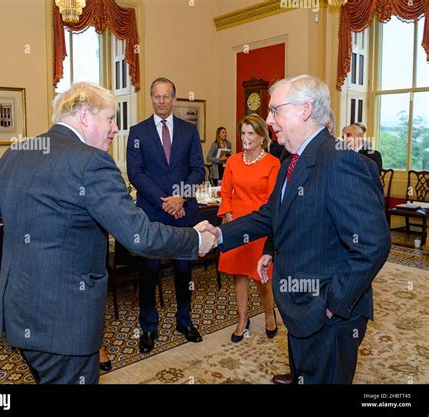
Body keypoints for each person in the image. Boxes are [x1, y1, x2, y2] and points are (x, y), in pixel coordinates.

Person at [0, 82, 216, 384]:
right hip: (66, 321)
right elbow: (139, 236)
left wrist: (25, 261)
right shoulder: (91, 162)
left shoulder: (17, 152)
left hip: (19, 312)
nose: (115, 129)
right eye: (111, 118)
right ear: (86, 116)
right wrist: (196, 239)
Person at [197, 75, 391, 384]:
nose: (269, 120)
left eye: (275, 110)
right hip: (300, 307)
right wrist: (222, 234)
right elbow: (275, 213)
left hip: (327, 313)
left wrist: (331, 307)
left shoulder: (340, 160)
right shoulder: (291, 157)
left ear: (304, 110)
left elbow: (373, 244)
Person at [126, 77, 205, 354]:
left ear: (174, 98)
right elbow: (135, 173)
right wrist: (164, 202)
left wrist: (180, 197)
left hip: (184, 212)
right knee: (149, 272)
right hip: (152, 213)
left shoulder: (188, 131)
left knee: (184, 271)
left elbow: (198, 168)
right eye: (156, 96)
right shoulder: (137, 132)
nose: (160, 101)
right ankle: (148, 326)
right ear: (151, 98)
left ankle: (184, 320)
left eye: (165, 96)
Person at [218, 114, 280, 342]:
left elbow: (273, 200)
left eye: (251, 133)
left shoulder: (273, 163)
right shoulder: (233, 161)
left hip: (260, 226)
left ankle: (268, 314)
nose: (245, 137)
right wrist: (228, 213)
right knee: (239, 275)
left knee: (261, 276)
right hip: (236, 225)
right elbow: (225, 192)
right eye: (243, 133)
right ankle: (242, 320)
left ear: (262, 137)